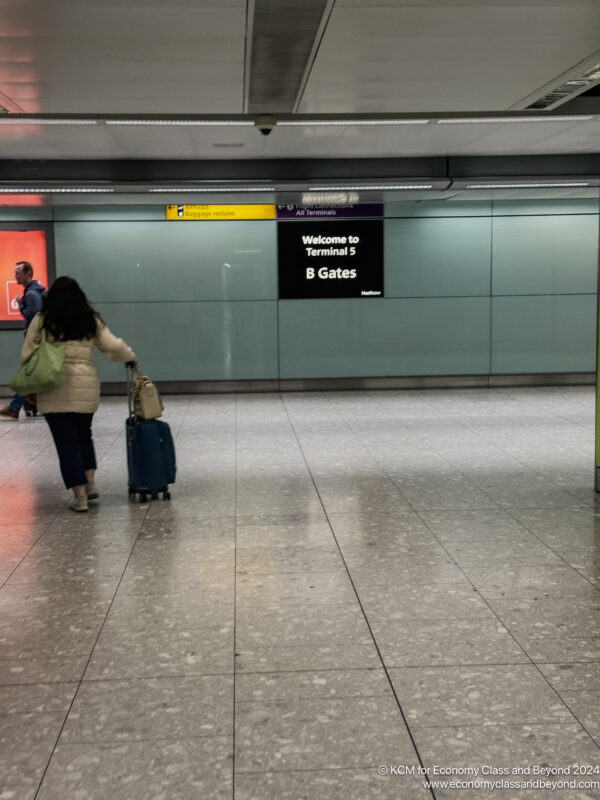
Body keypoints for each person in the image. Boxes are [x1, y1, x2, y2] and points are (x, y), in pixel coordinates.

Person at [20, 276, 137, 512]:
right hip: (85, 386)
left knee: (67, 444)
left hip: (53, 386)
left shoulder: (43, 320)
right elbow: (112, 346)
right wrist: (130, 356)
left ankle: (80, 496)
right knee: (84, 435)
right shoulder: (89, 319)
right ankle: (90, 483)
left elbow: (27, 354)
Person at [0, 261, 46, 419]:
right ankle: (31, 403)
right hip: (39, 341)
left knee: (27, 374)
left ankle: (14, 408)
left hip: (35, 342)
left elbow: (35, 318)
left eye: (18, 272)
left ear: (28, 273)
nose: (16, 276)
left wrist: (20, 306)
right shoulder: (35, 292)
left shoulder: (32, 294)